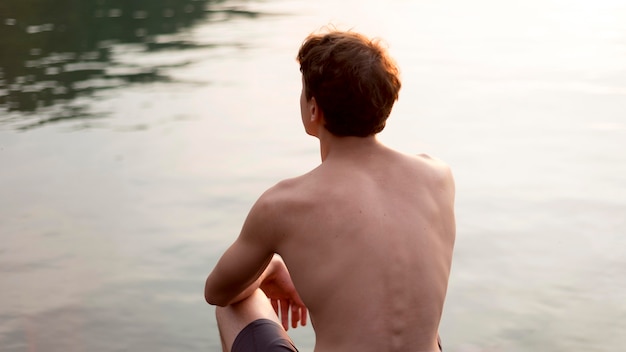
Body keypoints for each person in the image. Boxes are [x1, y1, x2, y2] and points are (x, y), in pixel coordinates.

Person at [205, 29, 456, 352]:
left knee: (235, 304)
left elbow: (218, 292)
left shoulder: (283, 205)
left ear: (314, 109)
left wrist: (270, 267)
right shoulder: (438, 175)